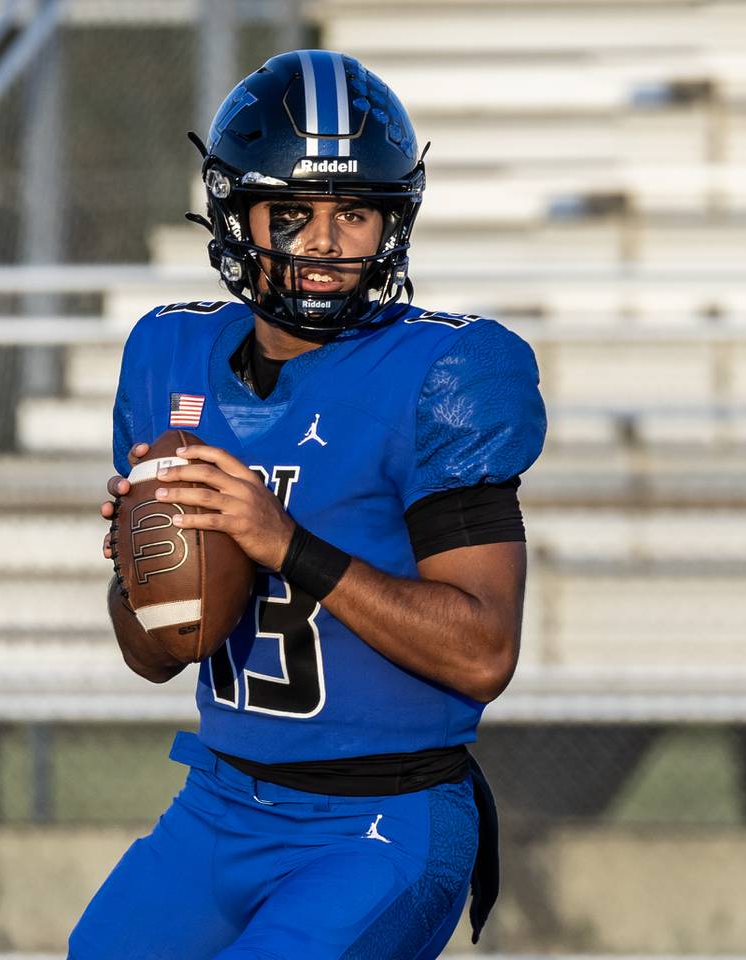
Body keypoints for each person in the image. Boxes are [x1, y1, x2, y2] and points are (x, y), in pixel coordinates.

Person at [70, 50, 547, 958]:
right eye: (293, 215)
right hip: (221, 802)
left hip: (382, 819)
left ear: (392, 221)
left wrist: (285, 543)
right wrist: (146, 570)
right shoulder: (170, 358)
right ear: (238, 215)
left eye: (355, 212)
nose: (326, 243)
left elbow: (484, 652)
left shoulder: (441, 375)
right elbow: (154, 659)